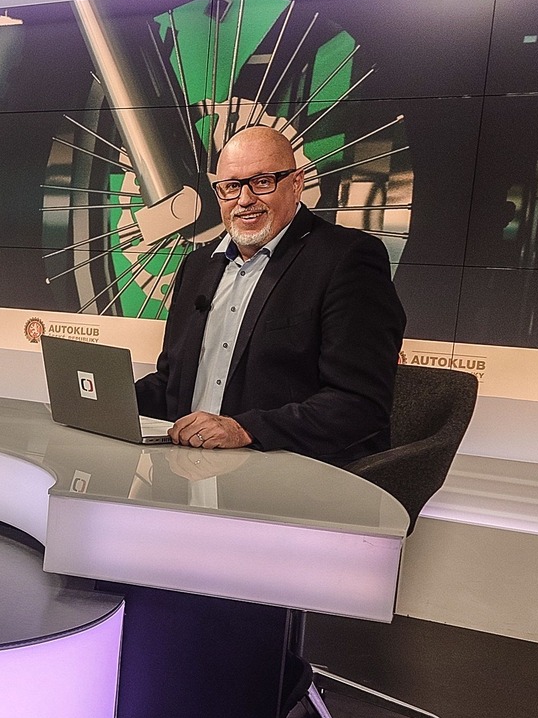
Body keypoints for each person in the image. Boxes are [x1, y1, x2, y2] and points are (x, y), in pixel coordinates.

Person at [134, 125, 406, 465]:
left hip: (290, 472)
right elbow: (171, 383)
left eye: (262, 182)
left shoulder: (347, 259)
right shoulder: (197, 266)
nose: (244, 200)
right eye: (231, 186)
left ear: (296, 183)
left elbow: (360, 404)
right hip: (188, 465)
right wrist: (108, 400)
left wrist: (245, 429)